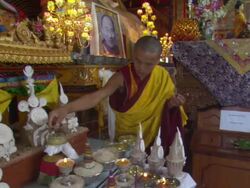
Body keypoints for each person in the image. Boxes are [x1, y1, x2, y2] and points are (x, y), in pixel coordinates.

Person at [49, 36, 187, 153]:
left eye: (148, 64)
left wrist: (172, 104)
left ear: (157, 61)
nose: (141, 68)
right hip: (128, 139)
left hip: (155, 135)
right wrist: (66, 108)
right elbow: (97, 96)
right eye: (138, 61)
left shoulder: (161, 75)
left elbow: (165, 105)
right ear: (133, 55)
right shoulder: (122, 76)